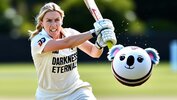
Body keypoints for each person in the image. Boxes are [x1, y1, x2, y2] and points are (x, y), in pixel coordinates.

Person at [29, 2, 116, 100]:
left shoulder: (71, 33)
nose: (53, 25)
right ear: (41, 22)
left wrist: (99, 44)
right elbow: (66, 43)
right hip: (48, 96)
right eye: (49, 20)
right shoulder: (38, 40)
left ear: (62, 20)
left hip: (76, 91)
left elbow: (93, 52)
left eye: (57, 20)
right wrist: (95, 31)